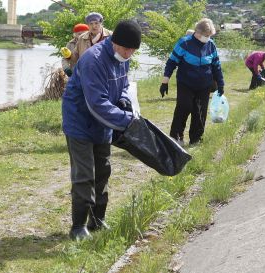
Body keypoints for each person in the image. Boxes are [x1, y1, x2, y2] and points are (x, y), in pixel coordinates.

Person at [62, 19, 142, 240]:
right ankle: (78, 226)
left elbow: (124, 85)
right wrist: (127, 120)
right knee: (84, 174)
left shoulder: (123, 58)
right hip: (80, 121)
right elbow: (97, 104)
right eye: (127, 49)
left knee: (103, 170)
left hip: (104, 122)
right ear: (115, 42)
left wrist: (125, 101)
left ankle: (97, 219)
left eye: (133, 51)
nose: (129, 54)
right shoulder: (93, 60)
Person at [159, 18, 225, 146]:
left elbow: (216, 66)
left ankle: (196, 140)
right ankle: (176, 137)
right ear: (198, 32)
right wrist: (165, 82)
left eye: (210, 35)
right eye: (207, 35)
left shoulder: (211, 45)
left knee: (200, 111)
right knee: (184, 107)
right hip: (186, 83)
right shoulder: (184, 43)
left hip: (204, 85)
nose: (208, 38)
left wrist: (221, 84)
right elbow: (171, 62)